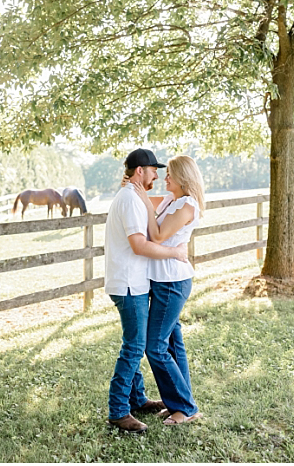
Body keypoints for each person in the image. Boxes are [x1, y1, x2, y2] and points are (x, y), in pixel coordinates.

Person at [104, 148, 189, 434]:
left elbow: (162, 207)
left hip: (134, 282)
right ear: (140, 170)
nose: (157, 174)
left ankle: (137, 399)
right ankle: (118, 411)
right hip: (129, 284)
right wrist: (174, 253)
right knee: (135, 347)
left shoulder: (132, 196)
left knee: (135, 342)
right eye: (154, 169)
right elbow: (139, 245)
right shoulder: (129, 199)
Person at [129, 155, 203, 426]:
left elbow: (158, 235)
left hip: (173, 282)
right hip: (162, 280)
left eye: (170, 173)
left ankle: (185, 407)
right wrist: (133, 187)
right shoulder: (172, 200)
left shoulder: (187, 205)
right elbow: (143, 206)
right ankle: (179, 405)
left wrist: (147, 205)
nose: (165, 177)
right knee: (172, 343)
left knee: (155, 346)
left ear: (184, 177)